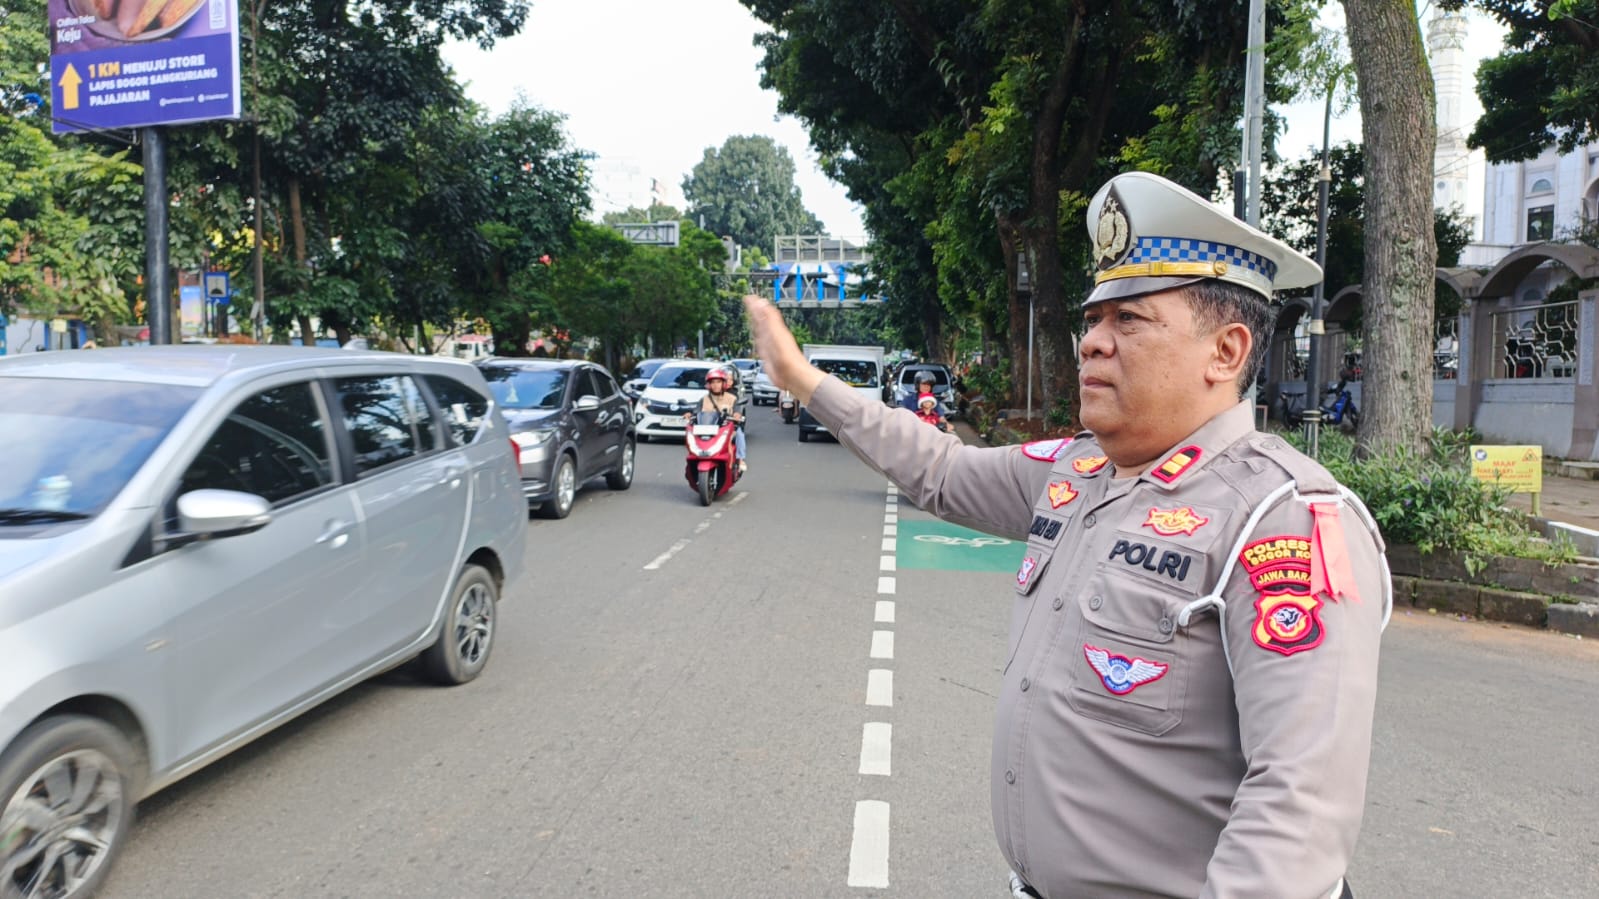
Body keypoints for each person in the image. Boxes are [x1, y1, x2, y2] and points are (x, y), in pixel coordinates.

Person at [745, 170, 1390, 899]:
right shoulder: (1078, 469)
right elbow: (941, 469)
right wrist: (803, 381)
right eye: (1092, 320)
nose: (1092, 343)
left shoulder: (1281, 517)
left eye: (1129, 321)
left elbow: (1297, 809)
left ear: (1227, 351)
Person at [685, 367, 746, 473]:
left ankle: (740, 460)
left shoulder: (732, 398)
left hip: (725, 429)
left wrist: (736, 415)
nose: (715, 385)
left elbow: (737, 410)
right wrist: (689, 414)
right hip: (706, 430)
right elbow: (696, 411)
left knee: (740, 434)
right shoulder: (704, 399)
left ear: (724, 383)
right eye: (712, 382)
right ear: (709, 385)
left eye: (718, 382)